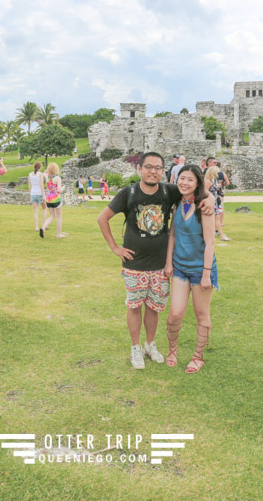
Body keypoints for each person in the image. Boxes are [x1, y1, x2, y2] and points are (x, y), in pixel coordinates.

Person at [96, 152, 215, 370]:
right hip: (135, 263)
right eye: (148, 167)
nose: (153, 171)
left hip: (161, 264)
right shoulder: (128, 193)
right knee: (134, 306)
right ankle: (135, 348)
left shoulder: (168, 191)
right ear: (139, 169)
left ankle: (150, 345)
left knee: (153, 307)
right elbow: (102, 218)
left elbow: (199, 191)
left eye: (158, 167)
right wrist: (114, 248)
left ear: (163, 171)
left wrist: (211, 198)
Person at [164, 164, 218, 373]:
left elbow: (210, 243)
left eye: (190, 179)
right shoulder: (178, 203)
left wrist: (206, 274)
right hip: (180, 266)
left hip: (200, 269)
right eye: (182, 178)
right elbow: (173, 235)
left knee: (201, 314)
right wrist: (169, 262)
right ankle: (172, 350)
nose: (184, 183)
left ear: (197, 183)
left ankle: (198, 357)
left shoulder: (204, 207)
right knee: (175, 313)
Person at [205, 165, 230, 241]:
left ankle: (219, 234)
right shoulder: (208, 181)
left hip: (214, 201)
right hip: (210, 202)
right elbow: (205, 192)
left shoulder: (213, 181)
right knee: (216, 217)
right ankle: (221, 234)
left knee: (216, 217)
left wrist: (218, 193)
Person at [40, 162, 65, 238]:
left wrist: (46, 172)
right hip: (56, 199)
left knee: (51, 216)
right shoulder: (57, 178)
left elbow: (42, 173)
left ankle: (43, 227)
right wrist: (63, 187)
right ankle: (58, 234)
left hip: (49, 199)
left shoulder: (46, 177)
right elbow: (60, 190)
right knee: (59, 216)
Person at [28, 161, 46, 231]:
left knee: (35, 211)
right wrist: (44, 195)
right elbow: (41, 185)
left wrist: (30, 193)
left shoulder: (30, 174)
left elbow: (30, 185)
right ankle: (43, 225)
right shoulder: (40, 174)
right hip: (39, 193)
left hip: (33, 193)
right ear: (40, 167)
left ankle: (36, 227)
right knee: (44, 208)